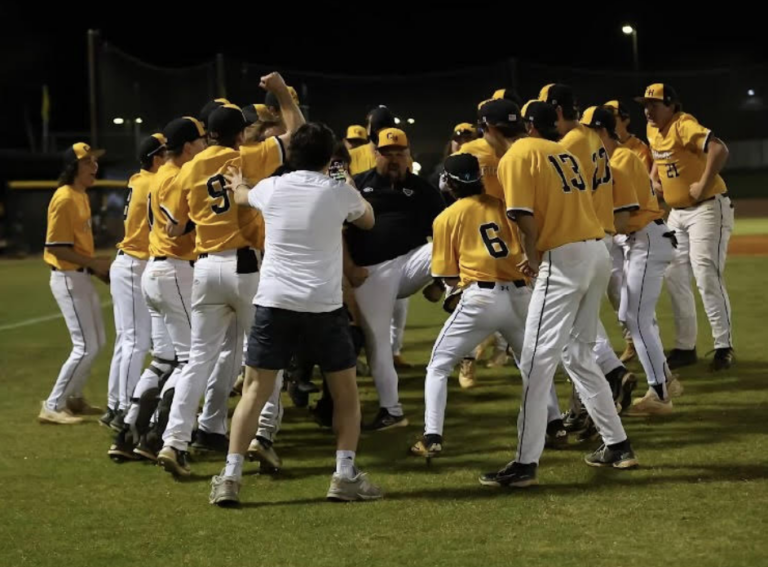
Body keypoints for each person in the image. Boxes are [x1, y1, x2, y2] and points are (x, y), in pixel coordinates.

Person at [210, 122, 380, 506]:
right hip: (323, 305)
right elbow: (368, 219)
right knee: (346, 395)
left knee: (254, 391)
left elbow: (242, 198)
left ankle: (231, 478)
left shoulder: (272, 187)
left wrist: (238, 180)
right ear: (329, 157)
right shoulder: (337, 190)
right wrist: (343, 179)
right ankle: (343, 474)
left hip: (274, 302)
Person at [636, 83, 734, 371]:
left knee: (706, 274)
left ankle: (723, 347)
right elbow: (657, 156)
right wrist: (655, 178)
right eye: (645, 104)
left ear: (671, 106)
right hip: (677, 214)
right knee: (674, 274)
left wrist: (703, 183)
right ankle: (685, 346)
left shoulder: (683, 124)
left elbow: (719, 148)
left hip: (707, 208)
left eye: (654, 104)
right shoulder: (653, 130)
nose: (648, 110)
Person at [39, 143, 111, 425]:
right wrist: (93, 263)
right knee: (85, 346)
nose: (94, 166)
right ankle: (53, 404)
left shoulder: (80, 196)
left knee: (98, 341)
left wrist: (94, 269)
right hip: (67, 277)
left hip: (80, 275)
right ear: (72, 168)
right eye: (87, 162)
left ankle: (74, 398)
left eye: (95, 161)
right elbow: (55, 246)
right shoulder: (65, 197)